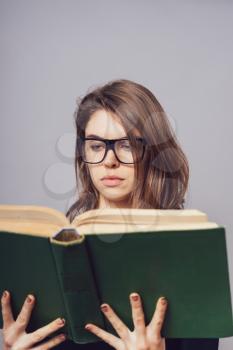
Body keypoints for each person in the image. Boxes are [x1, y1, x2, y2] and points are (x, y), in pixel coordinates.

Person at [1, 79, 219, 350]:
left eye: (126, 145)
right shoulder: (56, 254)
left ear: (152, 152)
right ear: (83, 154)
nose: (109, 160)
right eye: (96, 145)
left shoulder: (189, 258)